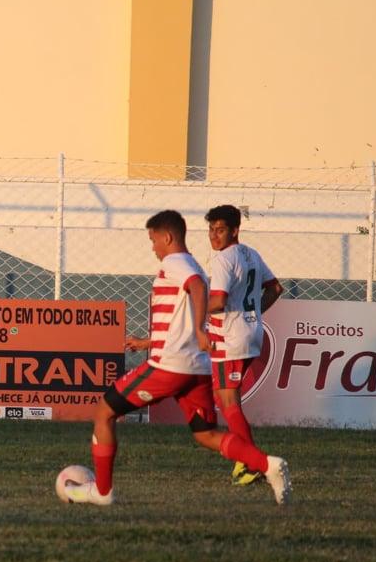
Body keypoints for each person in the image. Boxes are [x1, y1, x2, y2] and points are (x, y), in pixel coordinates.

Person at [63, 210, 291, 507]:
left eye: (153, 240)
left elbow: (197, 286)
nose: (152, 247)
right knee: (206, 434)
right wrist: (153, 340)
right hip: (197, 367)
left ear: (167, 237)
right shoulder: (193, 262)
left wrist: (198, 329)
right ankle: (267, 464)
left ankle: (102, 492)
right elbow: (182, 314)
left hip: (170, 367)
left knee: (104, 411)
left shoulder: (177, 263)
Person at [206, 204, 284, 486]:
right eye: (211, 230)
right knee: (229, 399)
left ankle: (253, 463)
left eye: (221, 230)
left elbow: (217, 301)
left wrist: (190, 311)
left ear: (235, 230)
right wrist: (256, 313)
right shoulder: (252, 254)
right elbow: (275, 288)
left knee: (227, 402)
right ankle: (248, 461)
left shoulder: (223, 260)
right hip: (252, 333)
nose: (214, 236)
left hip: (230, 337)